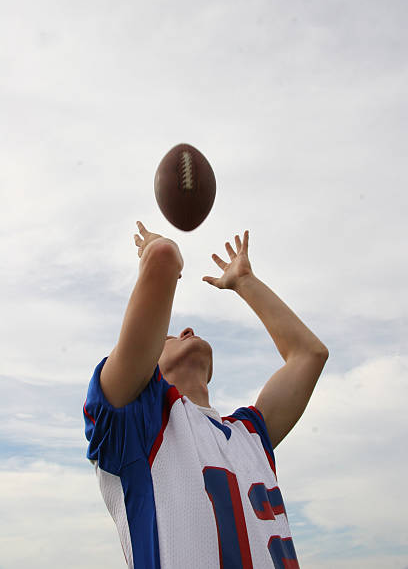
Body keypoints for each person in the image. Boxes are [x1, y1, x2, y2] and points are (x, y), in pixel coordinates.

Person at [83, 221, 329, 568]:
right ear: (147, 364)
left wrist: (246, 282)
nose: (185, 330)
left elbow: (309, 355)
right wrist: (155, 247)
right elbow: (164, 257)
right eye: (168, 338)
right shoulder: (135, 425)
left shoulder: (249, 435)